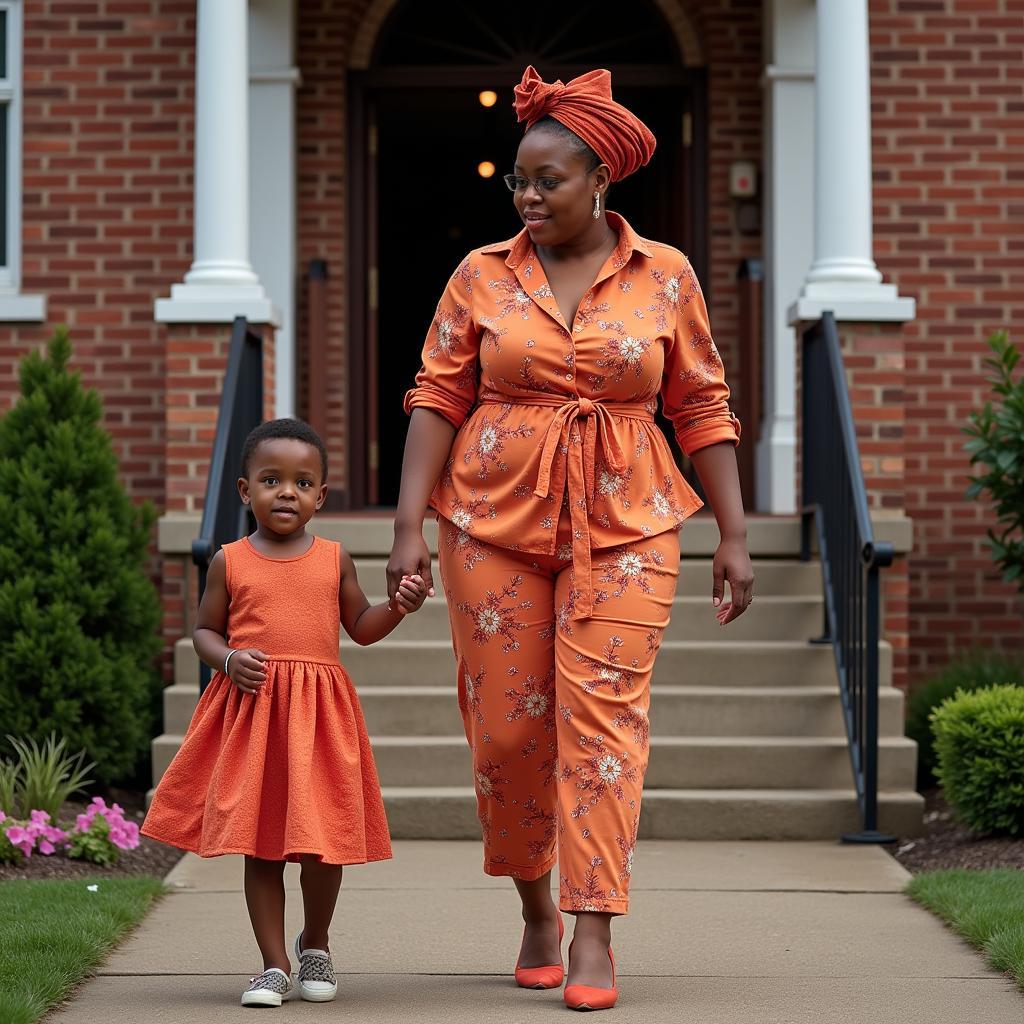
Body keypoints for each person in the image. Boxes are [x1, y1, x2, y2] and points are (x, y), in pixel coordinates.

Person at [388, 66, 754, 1011]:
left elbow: (702, 403)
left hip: (629, 520)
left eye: (548, 179)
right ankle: (536, 905)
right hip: (490, 519)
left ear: (601, 180)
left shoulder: (665, 274)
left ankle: (594, 929)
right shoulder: (481, 274)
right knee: (508, 733)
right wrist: (405, 530)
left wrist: (734, 532)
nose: (528, 195)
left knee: (603, 726)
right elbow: (436, 396)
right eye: (518, 179)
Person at [143, 418, 427, 1008]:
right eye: (271, 480)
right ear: (245, 491)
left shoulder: (333, 559)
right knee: (264, 843)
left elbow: (361, 627)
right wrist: (226, 658)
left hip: (320, 720)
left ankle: (315, 942)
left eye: (302, 483)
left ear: (321, 497)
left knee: (324, 843)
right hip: (256, 717)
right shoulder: (229, 561)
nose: (286, 493)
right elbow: (202, 631)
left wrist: (397, 609)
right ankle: (273, 965)